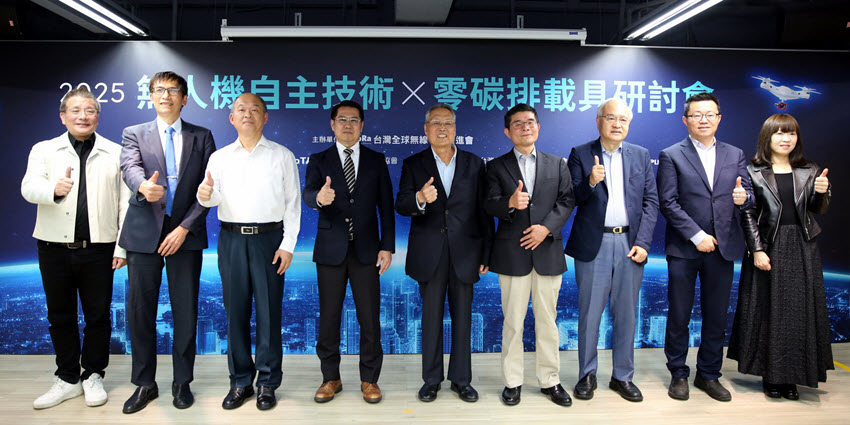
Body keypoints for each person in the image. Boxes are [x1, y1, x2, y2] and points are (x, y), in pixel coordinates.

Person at [22, 88, 130, 409]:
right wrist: (53, 189)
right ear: (63, 116)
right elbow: (28, 187)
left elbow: (126, 204)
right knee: (60, 315)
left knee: (98, 316)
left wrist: (122, 247)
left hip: (100, 248)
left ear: (98, 116)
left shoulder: (116, 152)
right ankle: (67, 378)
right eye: (76, 110)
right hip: (53, 247)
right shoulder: (44, 149)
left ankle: (93, 374)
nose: (83, 116)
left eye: (90, 111)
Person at [119, 71, 216, 414]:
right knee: (140, 310)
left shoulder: (202, 136)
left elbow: (209, 188)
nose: (166, 96)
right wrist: (143, 186)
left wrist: (185, 228)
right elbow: (129, 167)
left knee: (186, 311)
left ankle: (182, 382)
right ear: (150, 96)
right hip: (144, 233)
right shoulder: (134, 133)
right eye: (159, 90)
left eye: (173, 90)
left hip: (185, 234)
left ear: (184, 99)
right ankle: (145, 383)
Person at [197, 93, 301, 410]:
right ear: (232, 118)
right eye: (241, 109)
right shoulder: (219, 158)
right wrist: (204, 195)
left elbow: (293, 205)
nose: (248, 114)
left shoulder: (282, 155)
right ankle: (240, 381)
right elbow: (211, 198)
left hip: (270, 240)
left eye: (255, 109)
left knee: (269, 313)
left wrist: (287, 245)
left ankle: (268, 382)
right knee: (235, 313)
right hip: (231, 240)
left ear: (265, 117)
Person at [727, 113, 832, 400]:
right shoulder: (753, 171)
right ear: (767, 137)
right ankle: (772, 376)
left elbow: (817, 209)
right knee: (768, 311)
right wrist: (757, 250)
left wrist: (822, 193)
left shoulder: (810, 169)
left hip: (802, 246)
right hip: (768, 246)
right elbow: (748, 214)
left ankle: (793, 377)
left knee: (798, 313)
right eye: (780, 133)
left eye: (792, 133)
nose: (786, 139)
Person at [657, 92, 752, 402]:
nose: (704, 120)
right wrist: (696, 235)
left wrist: (744, 198)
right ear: (685, 120)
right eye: (696, 115)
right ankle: (678, 373)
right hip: (684, 248)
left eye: (710, 114)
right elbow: (668, 202)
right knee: (679, 314)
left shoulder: (735, 154)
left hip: (723, 247)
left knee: (716, 316)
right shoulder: (671, 154)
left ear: (719, 119)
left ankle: (709, 374)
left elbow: (746, 193)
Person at [395, 104, 493, 403]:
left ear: (455, 129)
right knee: (431, 319)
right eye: (435, 123)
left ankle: (462, 380)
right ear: (426, 129)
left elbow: (484, 212)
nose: (442, 128)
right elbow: (401, 204)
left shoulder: (475, 163)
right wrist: (419, 198)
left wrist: (486, 253)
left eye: (448, 123)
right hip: (430, 254)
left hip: (466, 252)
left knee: (463, 319)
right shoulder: (414, 164)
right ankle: (431, 380)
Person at [565, 98, 658, 402]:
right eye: (610, 118)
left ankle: (622, 376)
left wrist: (643, 242)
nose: (617, 124)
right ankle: (586, 375)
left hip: (630, 243)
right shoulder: (580, 153)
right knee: (590, 315)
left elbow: (651, 202)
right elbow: (571, 198)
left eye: (623, 120)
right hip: (595, 244)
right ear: (598, 121)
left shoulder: (641, 155)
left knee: (627, 315)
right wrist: (591, 182)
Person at [302, 100, 395, 404]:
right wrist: (319, 197)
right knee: (329, 317)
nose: (347, 125)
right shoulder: (319, 159)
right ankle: (331, 378)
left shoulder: (376, 160)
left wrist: (387, 246)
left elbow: (386, 206)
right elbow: (308, 194)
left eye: (354, 120)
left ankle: (370, 379)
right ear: (332, 124)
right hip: (330, 251)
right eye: (342, 119)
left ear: (362, 126)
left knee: (369, 318)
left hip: (367, 251)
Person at [484, 103, 575, 407]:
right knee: (513, 322)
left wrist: (545, 229)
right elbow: (488, 204)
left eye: (530, 122)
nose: (525, 127)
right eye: (518, 124)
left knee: (548, 321)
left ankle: (550, 380)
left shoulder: (557, 164)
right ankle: (513, 382)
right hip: (512, 254)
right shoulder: (496, 167)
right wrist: (509, 203)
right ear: (507, 131)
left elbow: (566, 201)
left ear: (538, 127)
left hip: (547, 251)